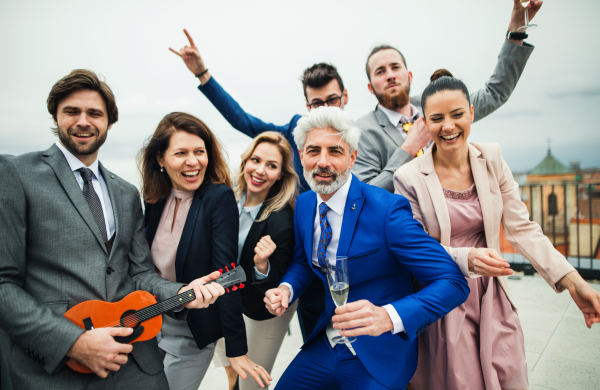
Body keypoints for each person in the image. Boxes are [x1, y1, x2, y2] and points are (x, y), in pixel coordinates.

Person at [0, 70, 224, 390]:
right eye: (71, 111)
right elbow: (3, 283)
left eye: (94, 113)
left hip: (135, 361)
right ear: (55, 115)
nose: (83, 121)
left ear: (109, 122)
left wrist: (181, 293)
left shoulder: (126, 192)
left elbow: (140, 274)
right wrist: (73, 343)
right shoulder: (15, 174)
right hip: (53, 367)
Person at [394, 69, 600, 390]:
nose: (448, 126)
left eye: (457, 114)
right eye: (437, 118)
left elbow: (522, 228)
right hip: (442, 297)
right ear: (425, 123)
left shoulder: (492, 157)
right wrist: (467, 259)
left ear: (471, 113)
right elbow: (415, 251)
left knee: (509, 377)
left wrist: (573, 282)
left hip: (492, 297)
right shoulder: (407, 178)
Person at [263, 107, 470, 390]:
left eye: (335, 152)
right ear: (301, 156)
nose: (322, 162)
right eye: (313, 151)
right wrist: (286, 289)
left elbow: (453, 282)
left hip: (379, 355)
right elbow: (302, 263)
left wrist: (388, 317)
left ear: (352, 158)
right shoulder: (304, 204)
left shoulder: (386, 211)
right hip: (326, 342)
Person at [169, 30, 336, 344]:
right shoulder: (291, 132)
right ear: (307, 105)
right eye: (316, 103)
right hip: (295, 258)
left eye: (332, 100)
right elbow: (242, 121)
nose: (325, 108)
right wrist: (203, 75)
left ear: (345, 97)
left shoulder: (355, 138)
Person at [353, 0, 543, 193]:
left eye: (395, 67)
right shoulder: (361, 131)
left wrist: (516, 30)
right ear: (370, 87)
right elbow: (364, 196)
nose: (390, 75)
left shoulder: (439, 104)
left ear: (409, 76)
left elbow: (496, 93)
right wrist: (407, 150)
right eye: (380, 71)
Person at [140, 112, 272, 390]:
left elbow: (226, 273)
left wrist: (236, 347)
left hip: (192, 330)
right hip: (148, 323)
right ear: (161, 159)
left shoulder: (218, 197)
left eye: (199, 151)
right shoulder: (154, 197)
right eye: (181, 153)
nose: (193, 161)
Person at [212, 132, 298, 390]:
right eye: (256, 160)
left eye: (271, 166)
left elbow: (274, 285)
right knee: (231, 371)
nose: (260, 170)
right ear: (245, 161)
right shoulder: (228, 198)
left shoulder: (280, 221)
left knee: (251, 383)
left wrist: (262, 265)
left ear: (281, 174)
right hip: (226, 300)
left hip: (264, 309)